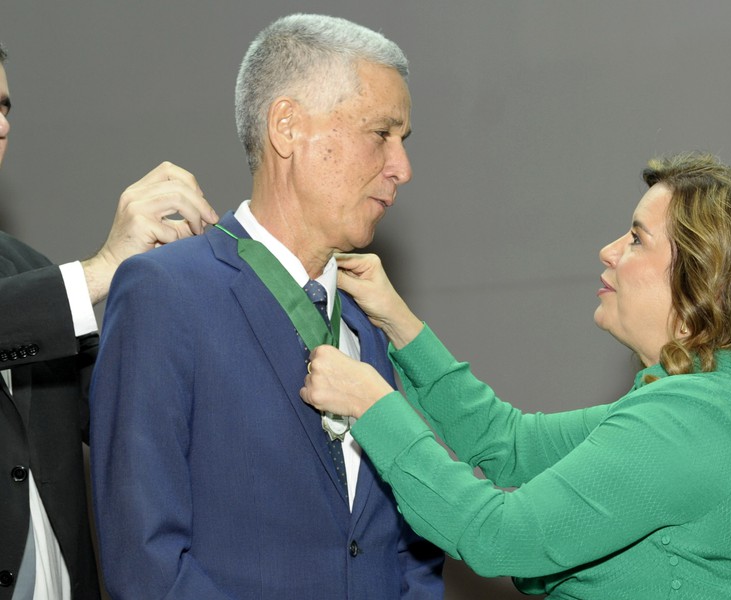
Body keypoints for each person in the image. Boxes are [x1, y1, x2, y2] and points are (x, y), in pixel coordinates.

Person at [301, 152, 731, 599]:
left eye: (637, 239)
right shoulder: (705, 402)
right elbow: (508, 442)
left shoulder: (695, 420)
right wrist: (399, 323)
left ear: (707, 281)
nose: (609, 251)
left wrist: (374, 408)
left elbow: (496, 534)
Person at [89, 14, 443, 600]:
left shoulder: (370, 316)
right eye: (381, 133)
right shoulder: (165, 294)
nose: (402, 167)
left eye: (403, 141)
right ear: (287, 127)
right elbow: (147, 562)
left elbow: (412, 542)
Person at [0, 42, 218, 600]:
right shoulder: (56, 286)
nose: (0, 124)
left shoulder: (30, 270)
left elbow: (125, 412)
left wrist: (192, 287)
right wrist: (103, 268)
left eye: (3, 107)